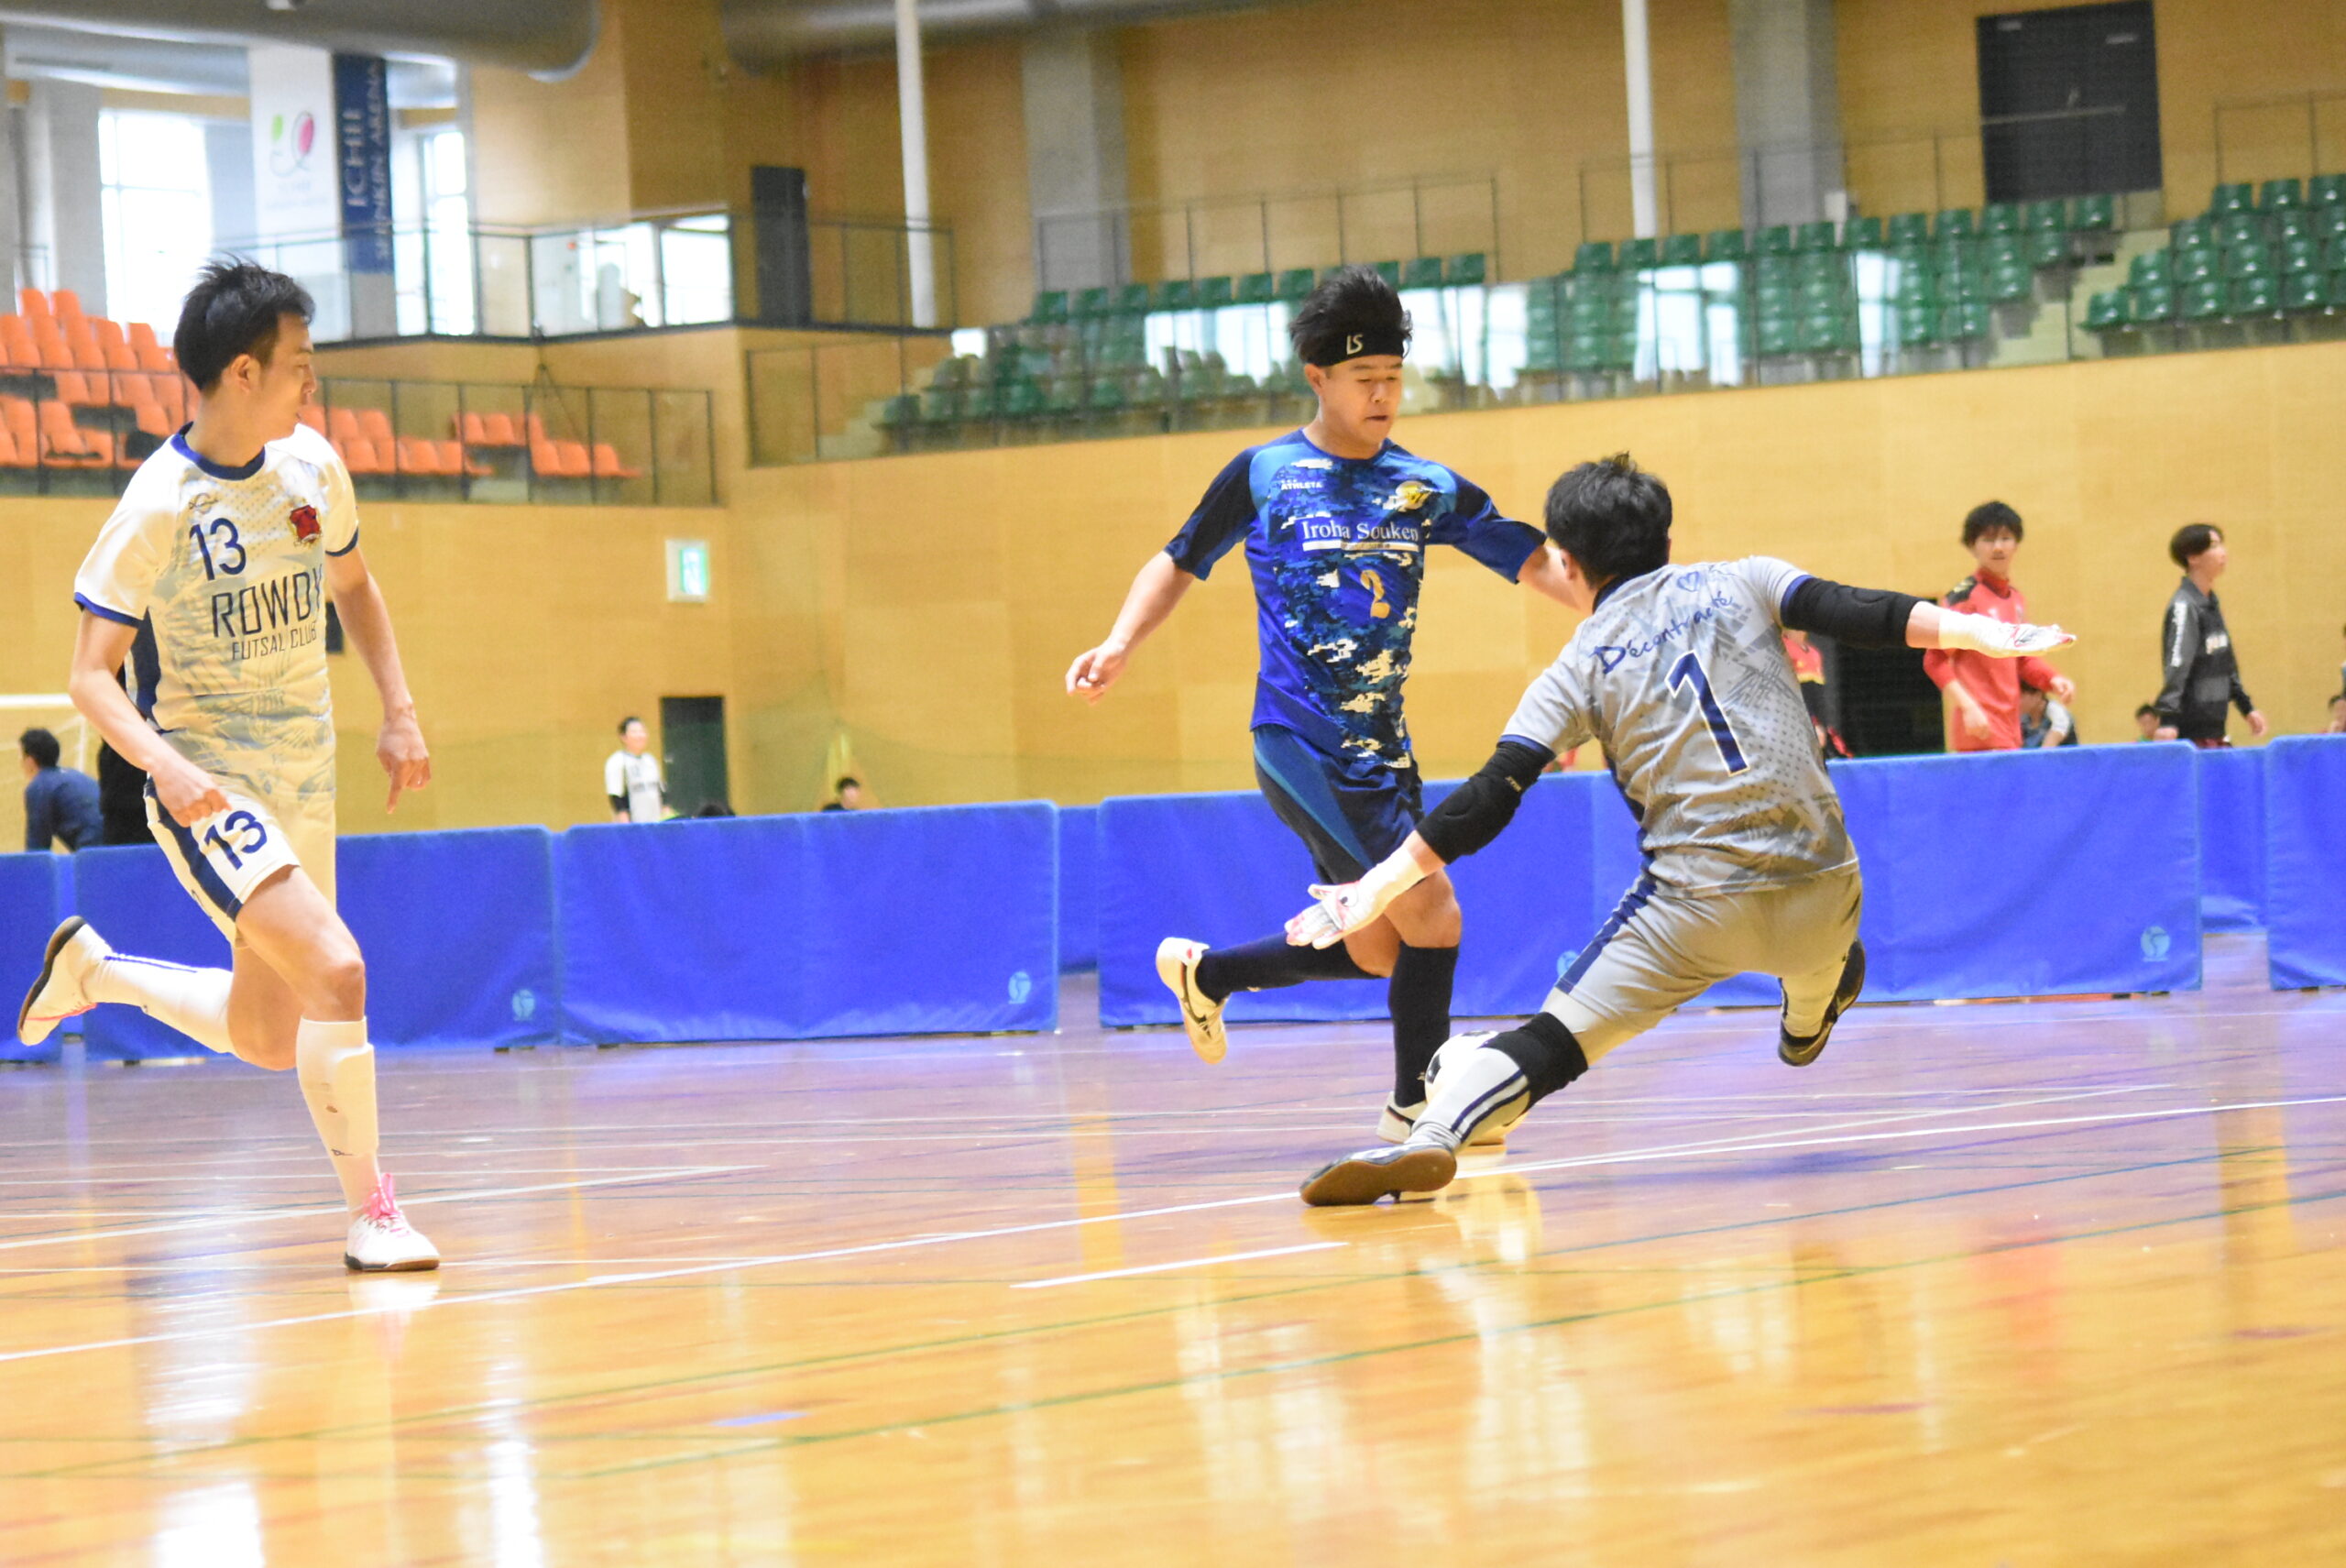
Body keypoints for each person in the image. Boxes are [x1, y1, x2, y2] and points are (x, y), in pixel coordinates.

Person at [1280, 455, 2074, 1205]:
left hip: (1692, 911)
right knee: (1820, 953)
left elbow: (1490, 795)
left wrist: (1378, 884)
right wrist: (1991, 635)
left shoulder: (1578, 663)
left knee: (1553, 1037)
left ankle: (1433, 1133)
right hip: (1828, 888)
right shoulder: (1745, 579)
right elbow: (1863, 611)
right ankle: (1808, 1017)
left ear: (1569, 564)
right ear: (1666, 537)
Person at [1065, 266, 1580, 1145]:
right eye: (1363, 378)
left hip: (1384, 748)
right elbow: (1179, 559)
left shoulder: (1423, 485)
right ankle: (1417, 1106)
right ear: (1318, 377)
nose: (1382, 395)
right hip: (1301, 736)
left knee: (1383, 945)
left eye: (1393, 377)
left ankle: (1210, 975)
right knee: (1434, 910)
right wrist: (1119, 642)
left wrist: (1623, 603)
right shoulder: (1266, 473)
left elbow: (1533, 560)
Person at [14, 260, 437, 1271]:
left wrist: (399, 710)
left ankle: (96, 971)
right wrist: (164, 767)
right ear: (243, 371)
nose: (313, 382)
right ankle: (374, 1212)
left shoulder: (312, 468)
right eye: (300, 363)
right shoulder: (159, 503)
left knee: (269, 1033)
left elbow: (355, 586)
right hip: (212, 786)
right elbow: (89, 676)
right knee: (338, 970)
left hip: (307, 778)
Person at [1922, 501, 2075, 751]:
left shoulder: (2015, 599)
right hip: (1979, 729)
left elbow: (2022, 657)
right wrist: (1968, 706)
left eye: (2005, 538)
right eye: (1988, 539)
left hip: (2011, 728)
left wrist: (2052, 678)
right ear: (1972, 546)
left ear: (2016, 544)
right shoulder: (1965, 598)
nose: (1998, 547)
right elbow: (1934, 659)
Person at [2152, 524, 2264, 747]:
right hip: (2189, 731)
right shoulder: (2184, 606)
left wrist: (2246, 707)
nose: (2223, 552)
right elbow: (2177, 665)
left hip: (2215, 727)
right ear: (2193, 557)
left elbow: (2225, 661)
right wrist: (2168, 719)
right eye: (2214, 546)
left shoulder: (2211, 603)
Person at [18, 728, 101, 851]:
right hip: (118, 842)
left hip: (93, 849)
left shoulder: (39, 785)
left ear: (30, 760)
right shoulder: (75, 775)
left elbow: (37, 846)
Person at [605, 716, 664, 822]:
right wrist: (627, 826)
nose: (640, 735)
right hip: (633, 824)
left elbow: (661, 791)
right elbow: (616, 797)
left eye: (642, 731)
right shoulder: (617, 761)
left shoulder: (651, 760)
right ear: (623, 737)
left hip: (654, 823)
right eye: (634, 732)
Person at [2019, 683, 2076, 749]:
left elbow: (2045, 752)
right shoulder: (2023, 719)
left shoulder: (2058, 714)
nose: (2016, 701)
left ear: (2037, 695)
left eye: (2021, 696)